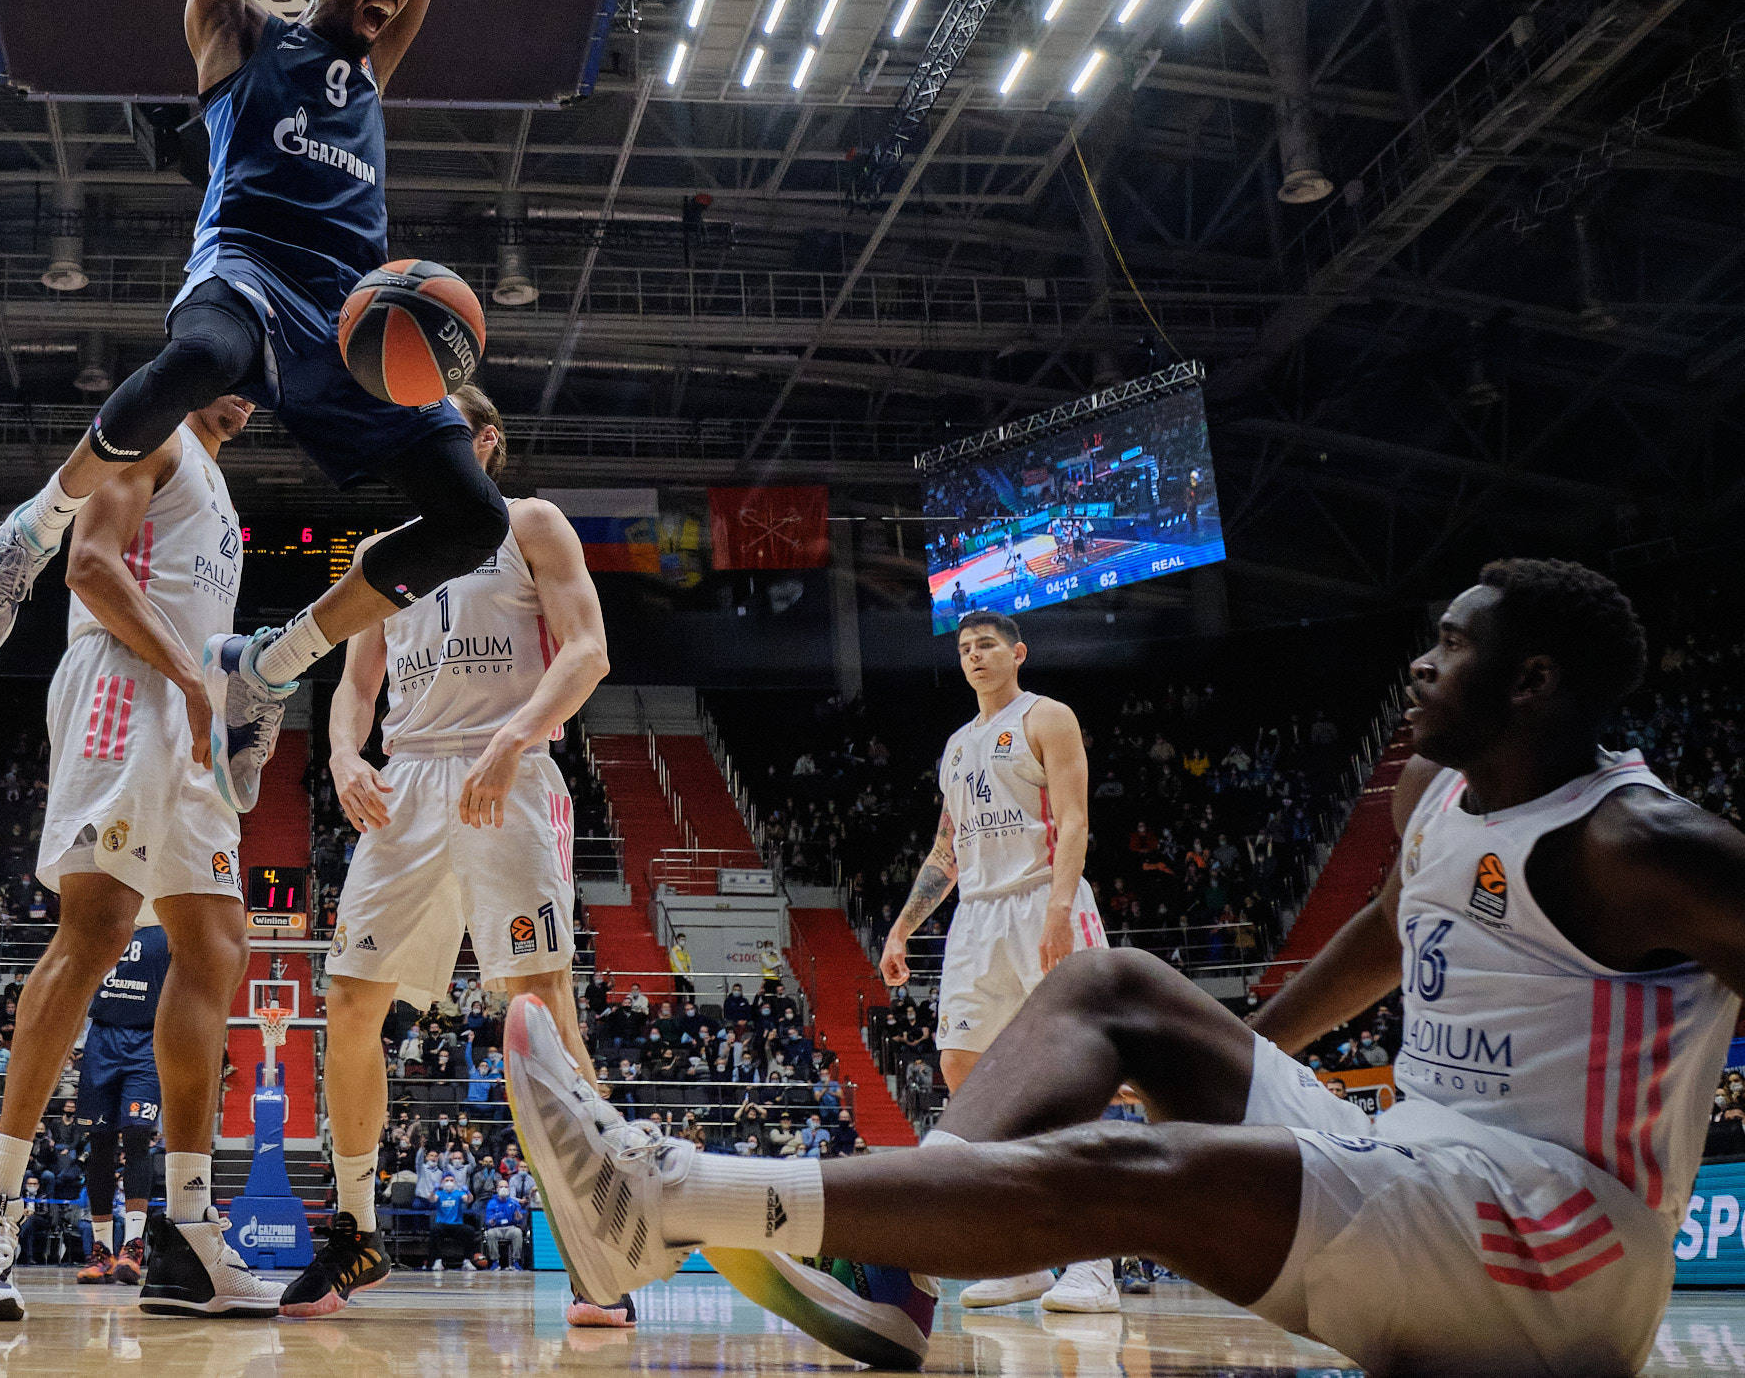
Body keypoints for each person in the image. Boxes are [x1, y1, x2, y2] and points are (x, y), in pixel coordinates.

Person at [511, 558, 1745, 1378]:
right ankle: (892, 1277)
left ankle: (667, 1199)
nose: (1420, 665)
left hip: (1547, 1253)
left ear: (1531, 683)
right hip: (1423, 1159)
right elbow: (1385, 923)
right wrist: (1254, 1055)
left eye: (1451, 647)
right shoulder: (1431, 790)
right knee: (1115, 987)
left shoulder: (1640, 844)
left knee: (1121, 1164)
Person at [0, 0, 508, 819]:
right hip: (245, 268)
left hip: (349, 317)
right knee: (197, 363)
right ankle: (32, 530)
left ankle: (271, 666)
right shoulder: (236, 34)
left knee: (473, 520)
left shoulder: (371, 75)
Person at [0, 397, 276, 1322]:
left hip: (189, 700)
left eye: (258, 373)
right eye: (231, 363)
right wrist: (190, 682)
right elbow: (88, 568)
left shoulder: (218, 481)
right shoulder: (155, 431)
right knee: (97, 931)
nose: (247, 387)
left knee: (214, 945)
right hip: (125, 686)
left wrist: (224, 691)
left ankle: (186, 1236)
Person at [284, 389, 617, 1321]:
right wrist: (348, 754)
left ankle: (601, 1242)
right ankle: (354, 1237)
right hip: (407, 789)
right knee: (349, 1003)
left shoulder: (531, 524)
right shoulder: (381, 555)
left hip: (507, 773)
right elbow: (355, 687)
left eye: (437, 436)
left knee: (541, 1006)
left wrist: (514, 739)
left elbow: (587, 651)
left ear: (483, 442)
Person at [875, 608, 1112, 1314]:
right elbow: (947, 850)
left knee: (1071, 1073)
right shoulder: (955, 747)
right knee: (962, 1071)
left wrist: (1060, 910)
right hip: (977, 914)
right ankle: (1019, 1255)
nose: (974, 656)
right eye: (965, 648)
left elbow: (1074, 820)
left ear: (1018, 654)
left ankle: (1094, 1264)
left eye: (986, 646)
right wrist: (900, 928)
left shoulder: (1048, 717)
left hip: (1043, 898)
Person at [73, 925, 170, 1286]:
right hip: (102, 1036)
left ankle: (133, 1246)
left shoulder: (165, 926)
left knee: (136, 1136)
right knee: (99, 1144)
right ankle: (101, 1250)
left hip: (145, 1039)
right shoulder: (105, 918)